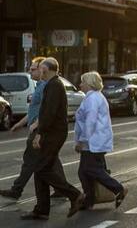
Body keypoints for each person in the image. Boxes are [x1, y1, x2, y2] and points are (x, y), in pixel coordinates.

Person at [22, 57, 84, 220]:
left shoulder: (55, 86)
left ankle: (75, 195)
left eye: (40, 68)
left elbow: (49, 113)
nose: (38, 71)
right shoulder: (52, 85)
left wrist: (40, 134)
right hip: (51, 132)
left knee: (42, 169)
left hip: (53, 134)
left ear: (46, 70)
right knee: (40, 169)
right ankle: (41, 209)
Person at [75, 72, 127, 210]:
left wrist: (82, 140)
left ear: (89, 84)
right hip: (95, 141)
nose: (80, 85)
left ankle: (118, 189)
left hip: (93, 142)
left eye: (82, 82)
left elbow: (90, 121)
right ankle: (89, 200)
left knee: (91, 169)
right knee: (85, 171)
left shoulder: (92, 99)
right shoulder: (95, 97)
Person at [0, 57, 49, 200]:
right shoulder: (39, 86)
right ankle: (65, 192)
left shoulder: (45, 87)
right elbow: (33, 110)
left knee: (30, 161)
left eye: (33, 69)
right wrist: (19, 124)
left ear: (42, 70)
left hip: (39, 130)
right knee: (50, 163)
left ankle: (16, 189)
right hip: (37, 129)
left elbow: (46, 110)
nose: (30, 71)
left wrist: (37, 125)